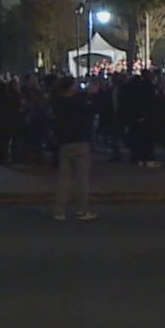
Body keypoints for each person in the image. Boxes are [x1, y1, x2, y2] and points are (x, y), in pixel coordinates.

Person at [51, 77, 96, 221]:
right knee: (82, 179)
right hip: (80, 140)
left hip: (64, 142)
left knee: (63, 179)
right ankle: (82, 209)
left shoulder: (58, 102)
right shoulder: (79, 101)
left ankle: (59, 211)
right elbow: (90, 113)